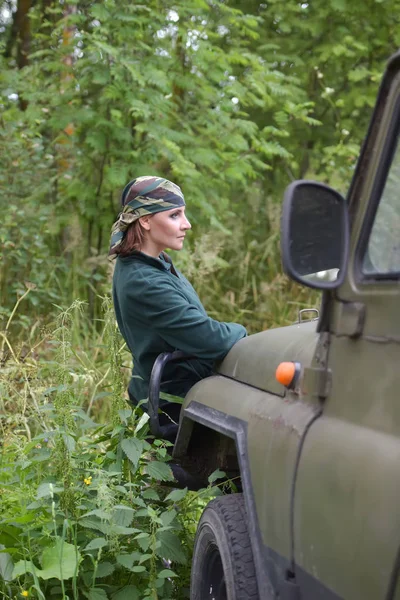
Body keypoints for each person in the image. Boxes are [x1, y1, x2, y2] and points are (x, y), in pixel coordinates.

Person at [109, 176, 247, 430]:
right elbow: (212, 340)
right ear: (146, 220)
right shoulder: (144, 281)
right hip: (176, 408)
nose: (187, 224)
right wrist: (244, 333)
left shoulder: (154, 261)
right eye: (175, 215)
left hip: (184, 390)